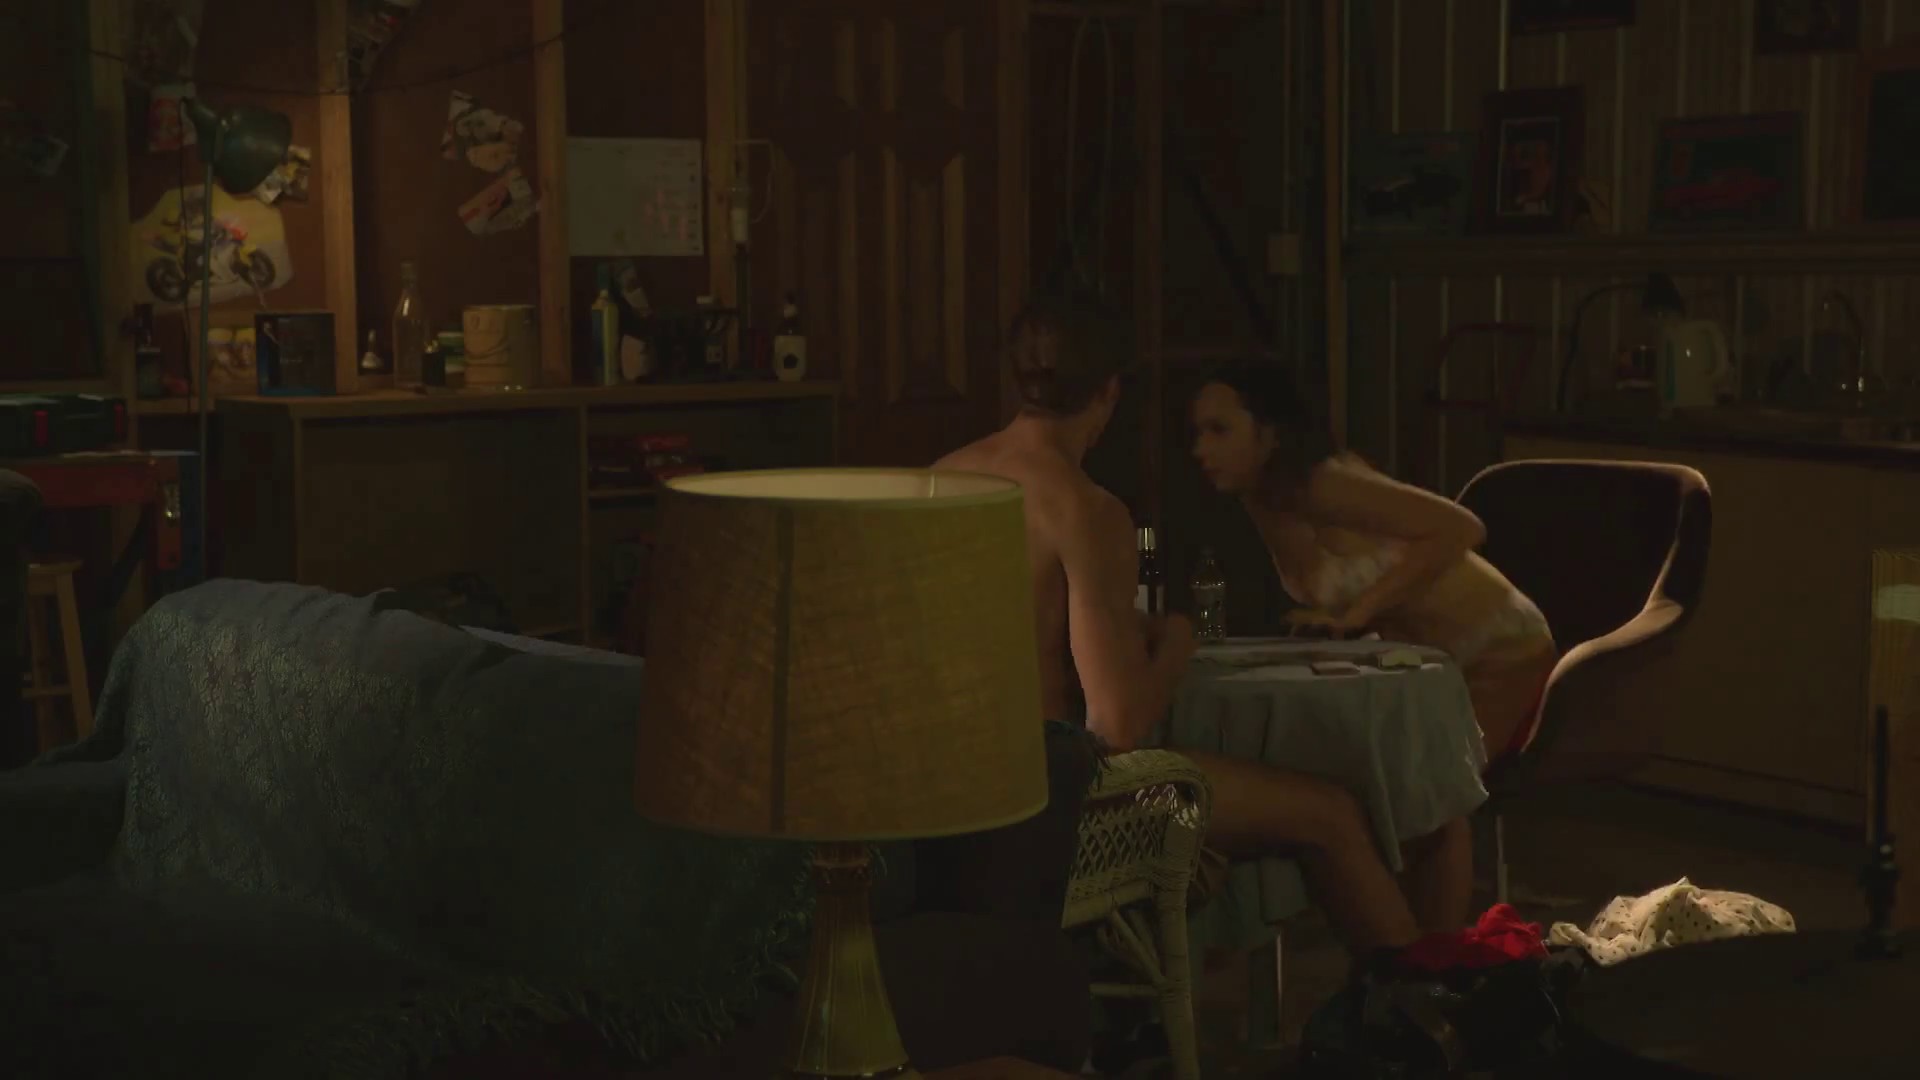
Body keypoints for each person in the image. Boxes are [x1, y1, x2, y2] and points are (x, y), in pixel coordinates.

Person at [936, 296, 1424, 952]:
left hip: (945, 792)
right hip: (1055, 802)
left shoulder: (942, 477)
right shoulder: (1082, 509)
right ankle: (1421, 999)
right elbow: (1116, 728)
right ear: (1109, 392)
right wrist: (1175, 643)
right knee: (1330, 814)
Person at [1191, 359, 1559, 931]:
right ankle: (1394, 949)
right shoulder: (1261, 497)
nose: (1200, 450)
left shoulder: (1323, 481)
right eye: (1196, 433)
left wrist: (1358, 613)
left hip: (1500, 650)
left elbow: (1462, 527)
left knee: (1427, 790)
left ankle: (1436, 960)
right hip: (1431, 661)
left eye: (1219, 430)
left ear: (1270, 434)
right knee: (1359, 782)